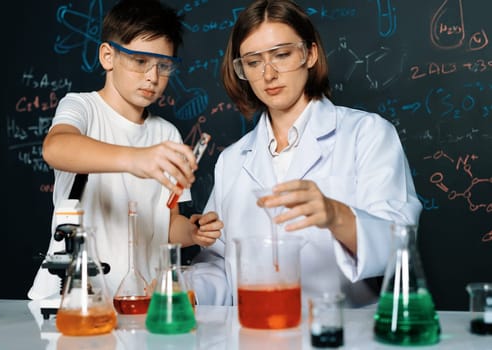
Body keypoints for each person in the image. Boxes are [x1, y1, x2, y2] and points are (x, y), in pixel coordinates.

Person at [191, 0, 422, 307]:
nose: (269, 74)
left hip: (341, 329)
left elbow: (399, 244)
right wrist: (188, 290)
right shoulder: (233, 160)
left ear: (310, 54)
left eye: (282, 55)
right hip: (258, 332)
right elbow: (220, 263)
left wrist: (335, 214)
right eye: (253, 62)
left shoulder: (366, 134)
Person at [28, 0, 222, 300]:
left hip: (140, 296)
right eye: (140, 61)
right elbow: (55, 148)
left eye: (164, 65)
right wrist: (136, 159)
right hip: (77, 299)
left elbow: (166, 225)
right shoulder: (82, 107)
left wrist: (192, 233)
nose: (152, 77)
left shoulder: (166, 133)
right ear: (108, 56)